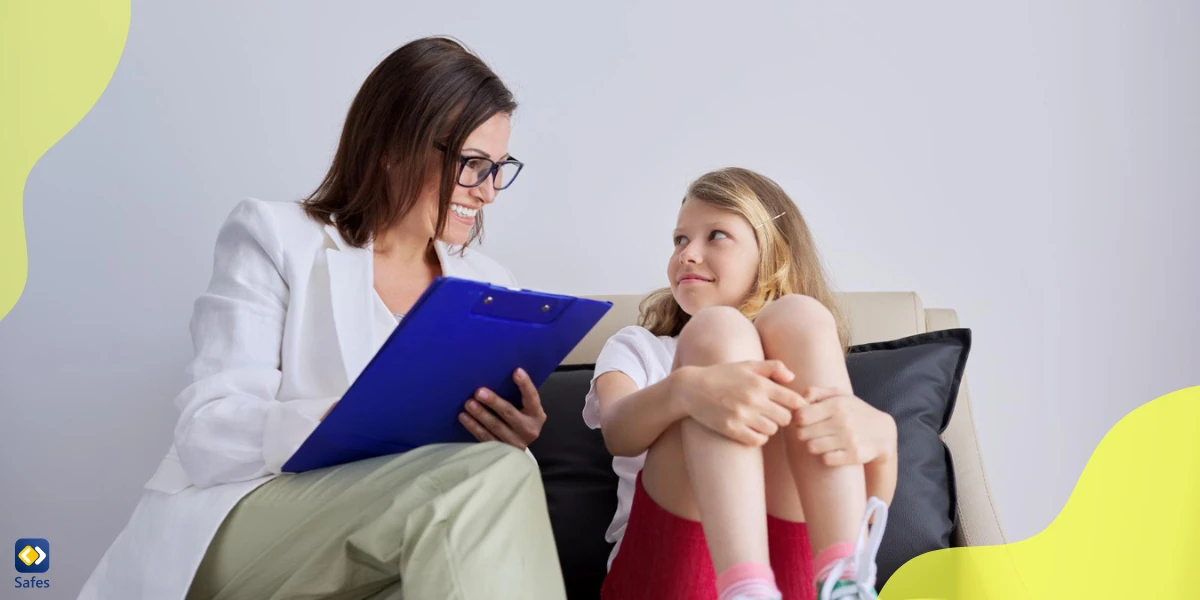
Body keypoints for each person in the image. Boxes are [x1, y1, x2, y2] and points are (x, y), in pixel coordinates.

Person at [77, 36, 566, 600]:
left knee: (509, 471)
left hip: (389, 534)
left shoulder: (493, 287)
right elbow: (206, 432)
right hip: (251, 519)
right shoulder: (275, 237)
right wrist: (342, 423)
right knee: (492, 479)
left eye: (499, 169)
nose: (487, 193)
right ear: (393, 146)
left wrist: (509, 437)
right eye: (472, 165)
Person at [584, 168, 899, 600]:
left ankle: (844, 580)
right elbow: (618, 432)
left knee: (800, 317)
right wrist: (687, 390)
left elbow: (867, 510)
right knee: (718, 332)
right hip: (670, 575)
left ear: (772, 254)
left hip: (797, 578)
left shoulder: (806, 354)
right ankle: (745, 587)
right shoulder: (638, 346)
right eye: (680, 239)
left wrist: (885, 444)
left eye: (715, 235)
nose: (688, 254)